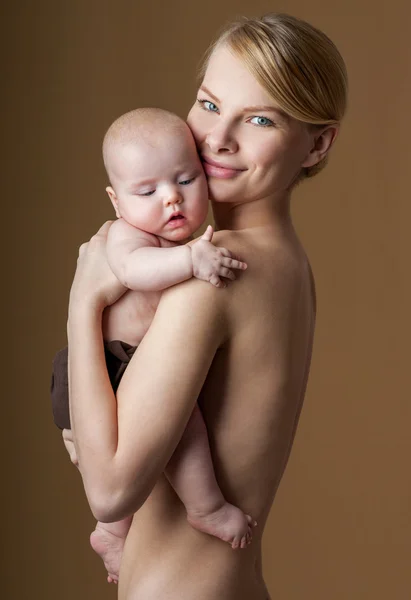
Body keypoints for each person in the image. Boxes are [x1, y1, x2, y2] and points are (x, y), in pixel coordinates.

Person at [62, 13, 347, 600]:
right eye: (210, 104)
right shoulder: (288, 264)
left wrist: (82, 301)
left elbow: (110, 490)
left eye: (260, 119)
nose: (218, 138)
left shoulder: (216, 273)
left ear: (316, 144)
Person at [52, 108, 254, 583]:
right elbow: (135, 273)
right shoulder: (123, 237)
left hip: (128, 366)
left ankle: (111, 532)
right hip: (107, 365)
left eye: (186, 179)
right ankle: (205, 508)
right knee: (185, 431)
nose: (171, 199)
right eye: (147, 191)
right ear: (116, 200)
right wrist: (192, 260)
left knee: (173, 432)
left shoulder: (180, 241)